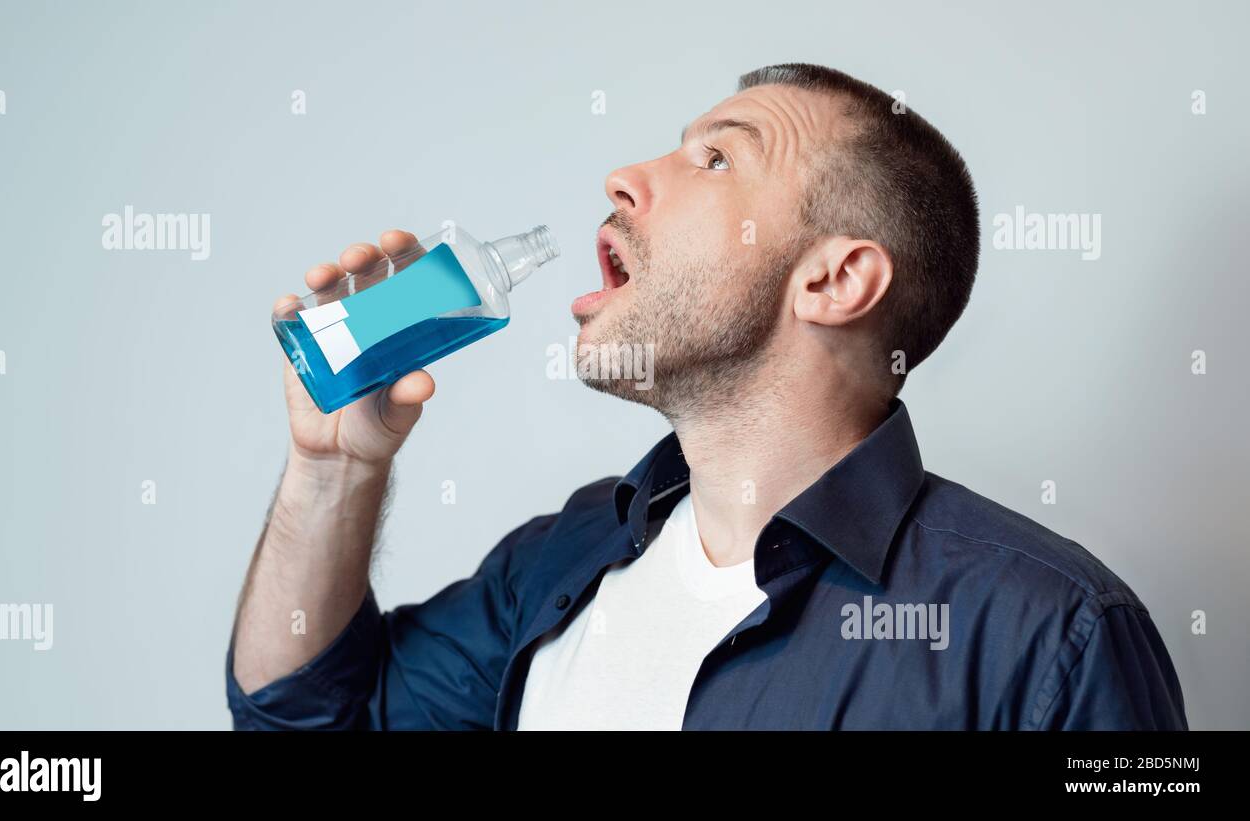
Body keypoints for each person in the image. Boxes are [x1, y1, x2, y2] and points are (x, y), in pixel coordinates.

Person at [226, 63, 1187, 730]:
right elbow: (304, 717)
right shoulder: (557, 564)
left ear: (834, 281)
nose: (624, 178)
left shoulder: (1048, 631)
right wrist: (333, 467)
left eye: (718, 158)